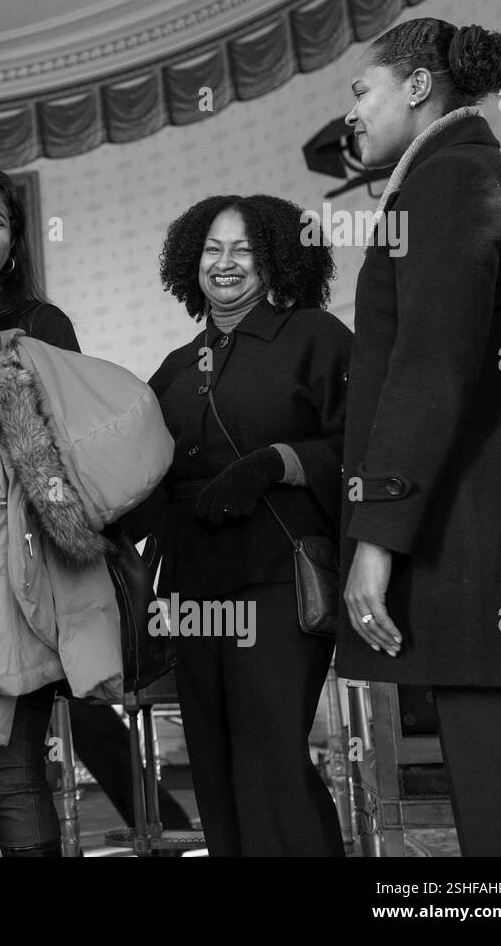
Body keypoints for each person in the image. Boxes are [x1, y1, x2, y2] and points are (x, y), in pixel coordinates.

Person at [337, 18, 501, 855]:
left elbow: (433, 366)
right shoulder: (477, 172)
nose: (353, 114)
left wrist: (377, 535)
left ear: (419, 86)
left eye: (363, 91)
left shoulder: (449, 180)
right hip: (499, 544)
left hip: (482, 551)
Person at [0, 167, 189, 855]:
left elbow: (61, 456)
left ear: (15, 241)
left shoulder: (42, 323)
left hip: (20, 576)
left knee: (9, 769)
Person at [128, 193, 350, 856]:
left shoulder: (317, 335)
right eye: (212, 249)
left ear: (279, 258)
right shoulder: (174, 365)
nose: (225, 263)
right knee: (215, 759)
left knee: (270, 755)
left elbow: (366, 447)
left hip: (278, 579)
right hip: (192, 586)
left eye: (244, 249)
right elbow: (143, 479)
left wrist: (277, 462)